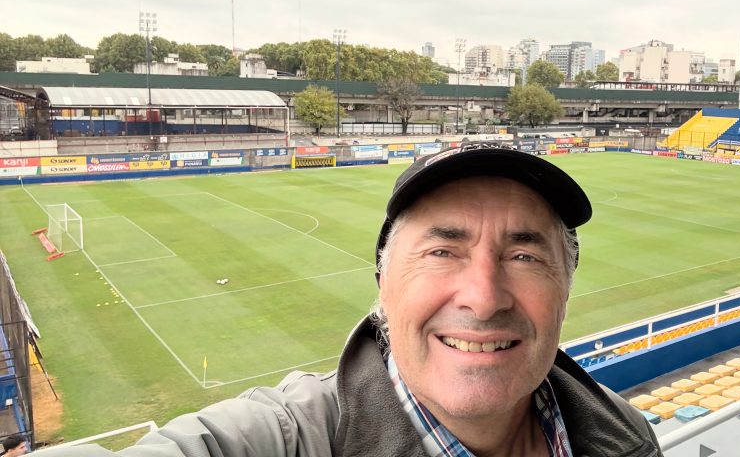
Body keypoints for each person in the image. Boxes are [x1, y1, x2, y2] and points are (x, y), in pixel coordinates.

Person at [48, 142, 662, 456]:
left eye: (525, 256)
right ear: (382, 286)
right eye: (441, 251)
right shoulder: (289, 439)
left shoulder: (625, 434)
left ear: (566, 286)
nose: (483, 298)